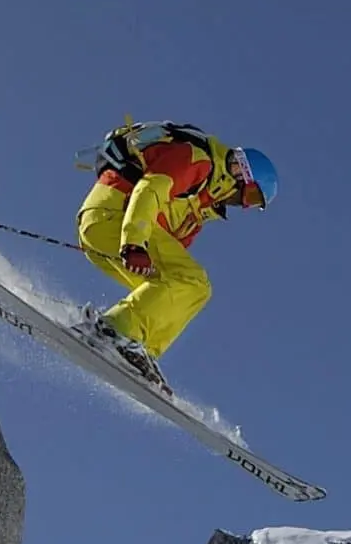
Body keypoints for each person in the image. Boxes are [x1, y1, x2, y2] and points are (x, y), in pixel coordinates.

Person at [73, 121, 275, 379]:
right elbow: (150, 189)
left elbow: (171, 253)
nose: (244, 205)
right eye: (251, 197)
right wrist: (134, 242)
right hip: (114, 215)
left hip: (114, 231)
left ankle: (137, 349)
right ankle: (115, 330)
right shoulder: (198, 159)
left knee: (187, 292)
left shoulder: (200, 210)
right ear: (240, 171)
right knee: (193, 281)